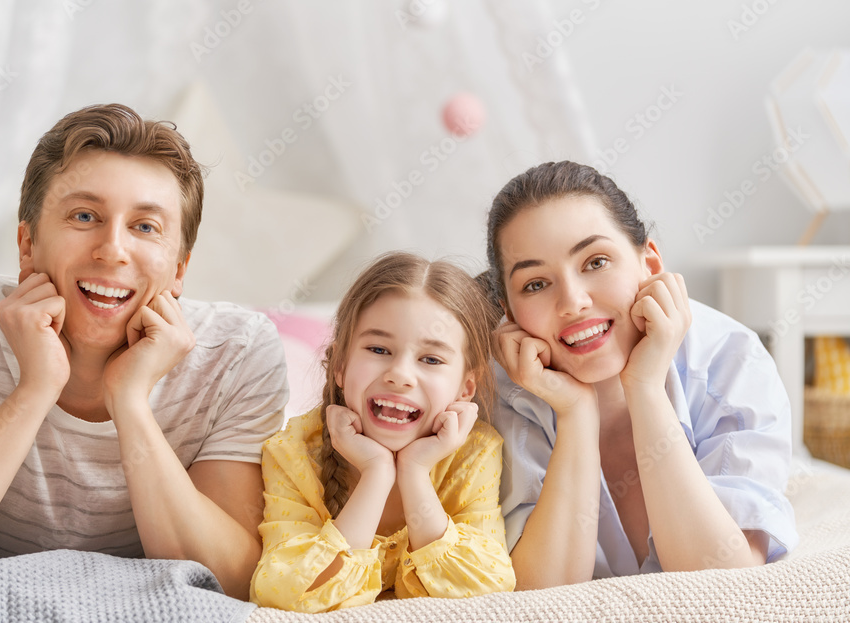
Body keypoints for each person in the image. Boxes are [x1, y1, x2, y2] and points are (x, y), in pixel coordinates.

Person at [0, 104, 288, 599]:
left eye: (146, 227)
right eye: (85, 216)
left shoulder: (239, 352)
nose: (112, 250)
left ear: (180, 270)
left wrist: (130, 403)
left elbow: (231, 579)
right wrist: (35, 390)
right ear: (27, 243)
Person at [485, 161, 799, 589]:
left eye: (595, 262)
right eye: (536, 284)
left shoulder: (732, 360)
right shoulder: (499, 395)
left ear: (650, 263)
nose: (573, 302)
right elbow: (541, 594)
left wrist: (646, 388)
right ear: (509, 312)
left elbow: (724, 581)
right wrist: (576, 411)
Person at [249, 252, 516, 612]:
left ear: (466, 388)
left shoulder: (474, 453)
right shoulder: (293, 452)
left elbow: (489, 589)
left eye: (432, 359)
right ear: (340, 365)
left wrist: (415, 473)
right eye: (378, 349)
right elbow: (281, 593)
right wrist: (376, 474)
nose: (400, 374)